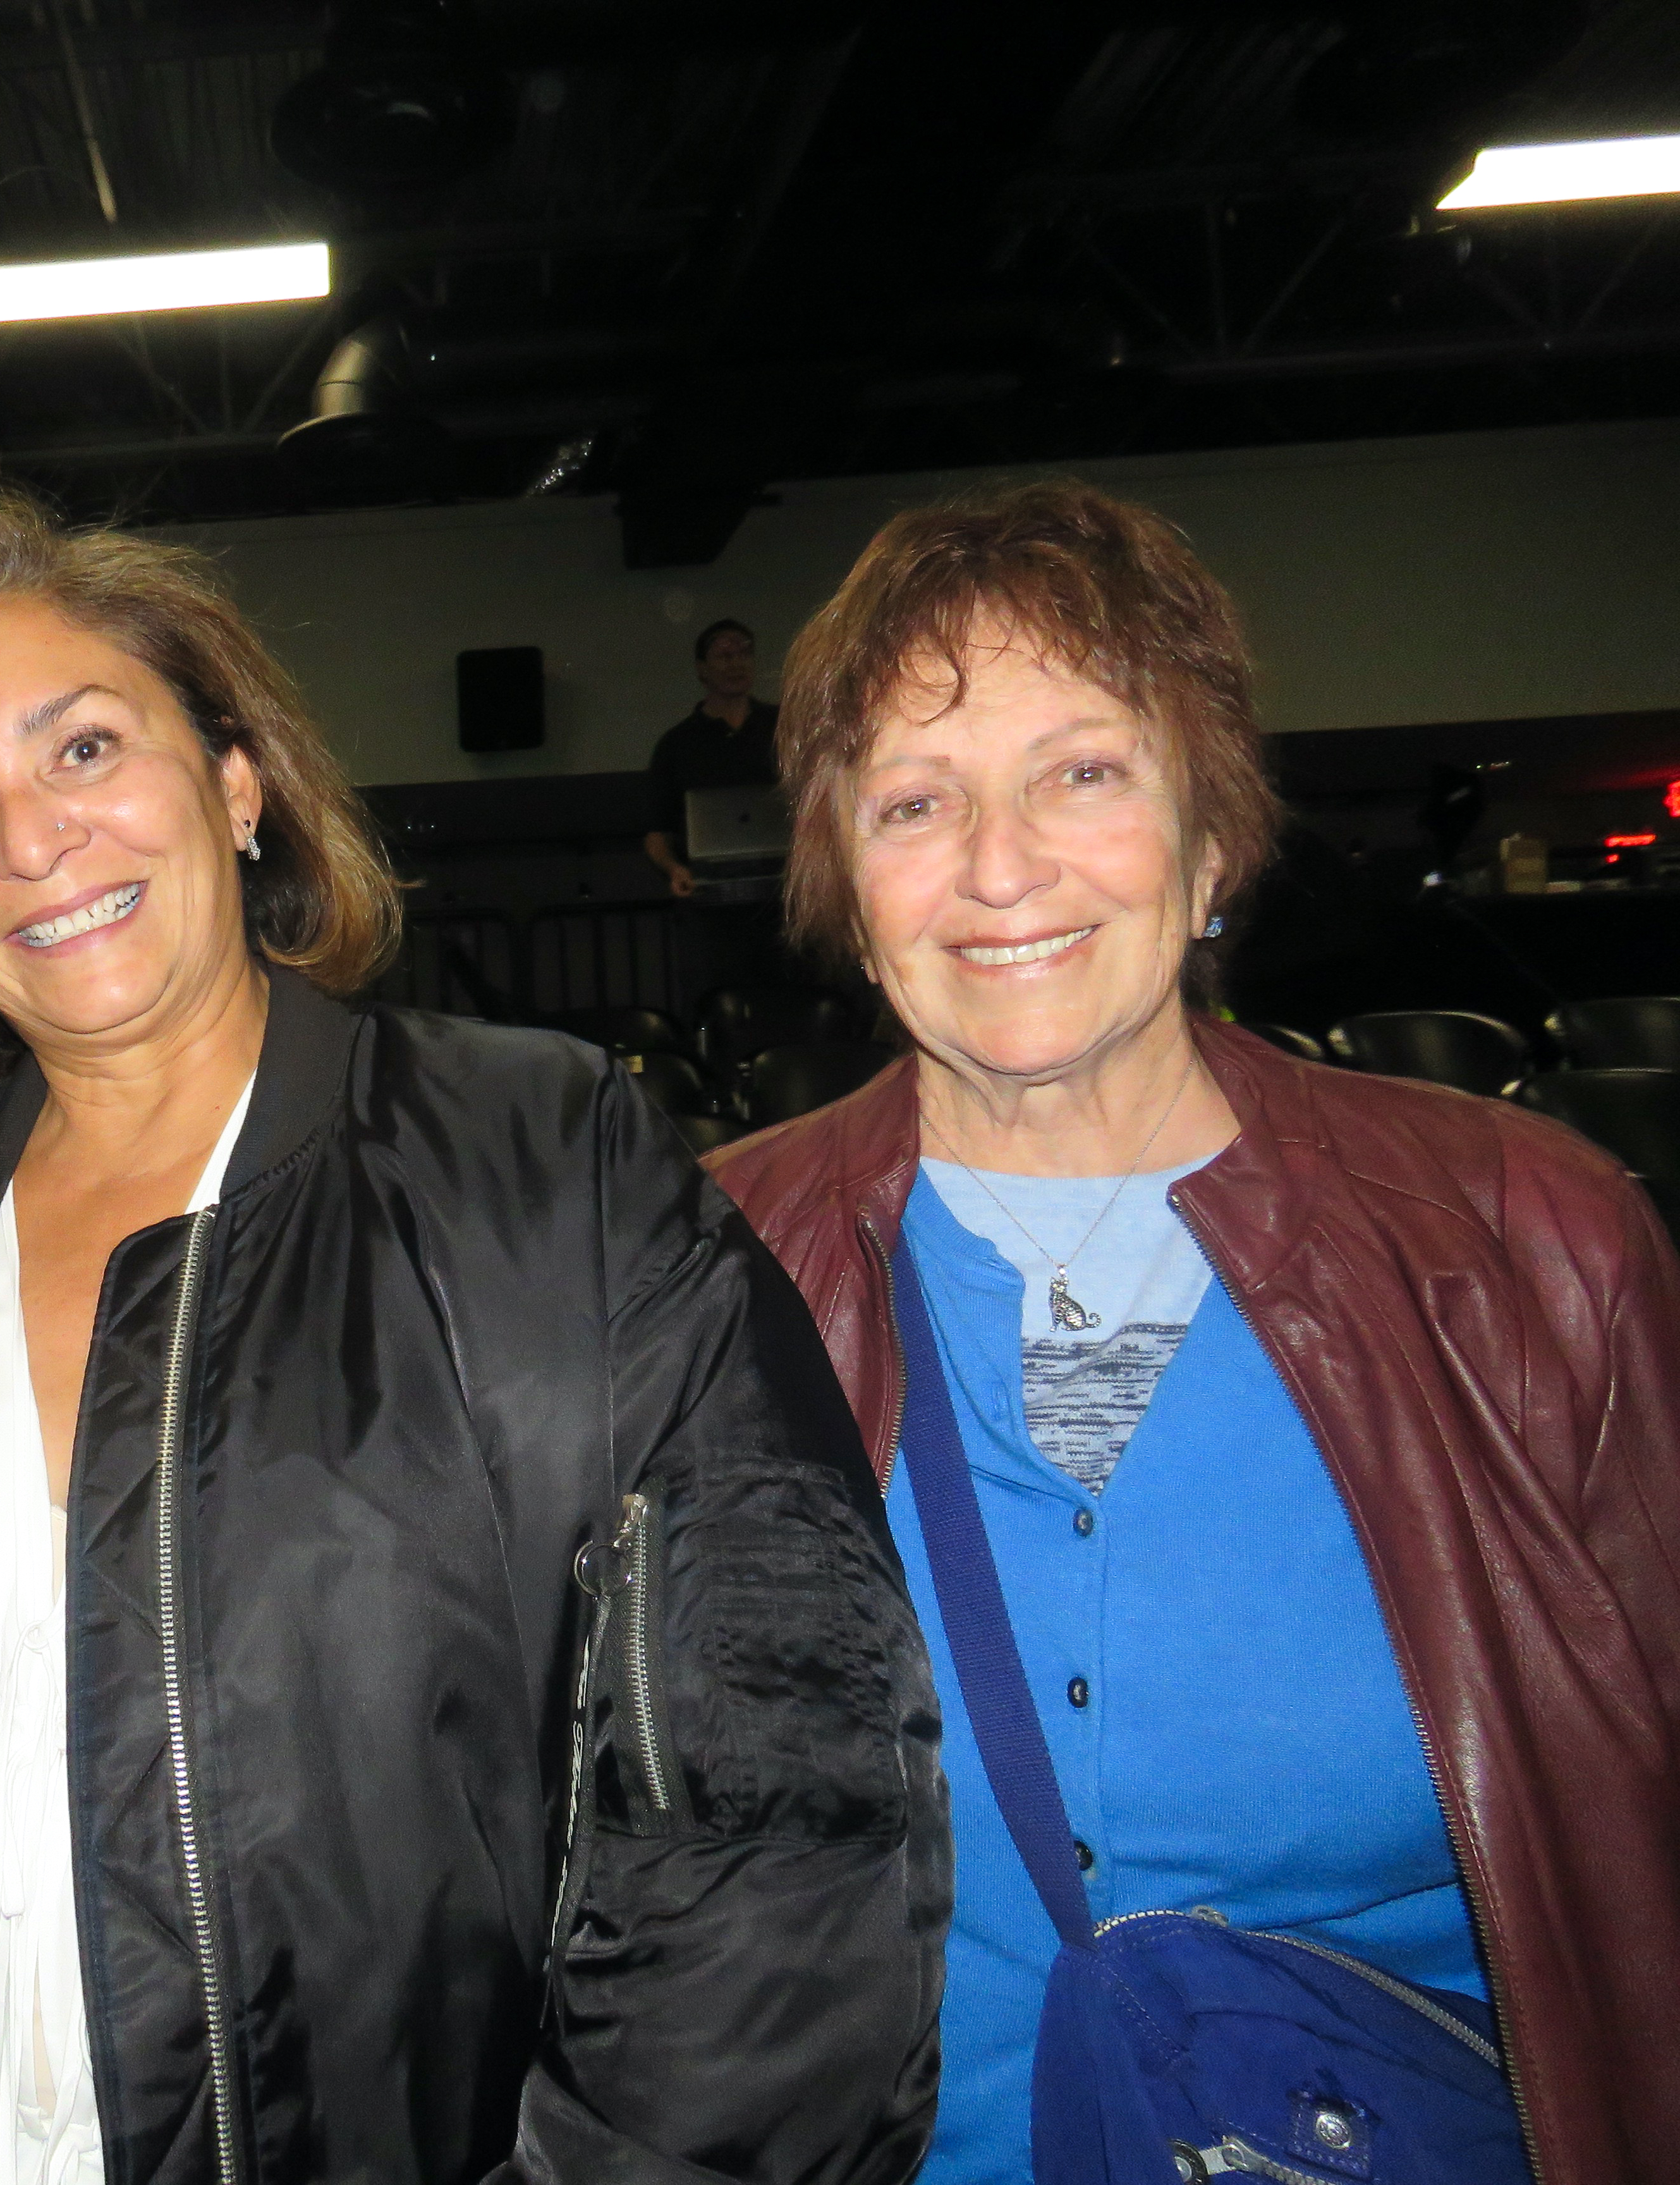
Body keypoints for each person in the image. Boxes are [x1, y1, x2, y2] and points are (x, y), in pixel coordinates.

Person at [0, 495, 948, 2185]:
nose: (29, 839)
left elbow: (781, 1805)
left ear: (237, 785)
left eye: (84, 747)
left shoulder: (542, 1165)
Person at [711, 478, 1680, 2185]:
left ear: (1212, 839)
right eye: (916, 800)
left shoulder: (1533, 1245)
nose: (1000, 865)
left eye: (1083, 772)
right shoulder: (703, 1267)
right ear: (848, 889)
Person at [643, 618, 781, 897]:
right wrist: (674, 869)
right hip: (709, 889)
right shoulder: (677, 744)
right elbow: (657, 832)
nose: (737, 664)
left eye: (745, 654)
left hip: (783, 885)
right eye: (725, 657)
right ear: (702, 669)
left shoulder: (783, 727)